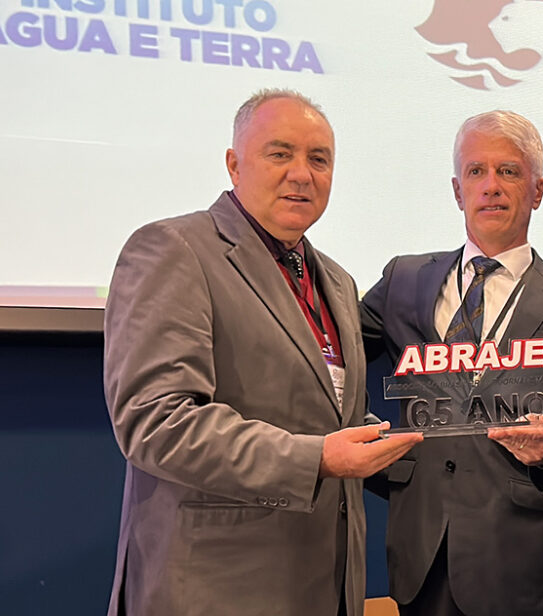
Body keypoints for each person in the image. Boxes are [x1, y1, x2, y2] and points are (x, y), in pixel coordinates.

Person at [103, 89, 421, 616]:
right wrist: (316, 457)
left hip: (325, 586)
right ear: (233, 164)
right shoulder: (174, 250)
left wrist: (439, 438)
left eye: (319, 159)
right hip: (215, 591)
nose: (302, 173)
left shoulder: (337, 281)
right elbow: (155, 423)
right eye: (280, 153)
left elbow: (323, 415)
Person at [360, 110, 543, 616]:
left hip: (529, 572)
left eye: (509, 171)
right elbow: (333, 354)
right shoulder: (403, 280)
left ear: (538, 190)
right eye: (476, 172)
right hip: (422, 561)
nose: (491, 186)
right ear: (458, 191)